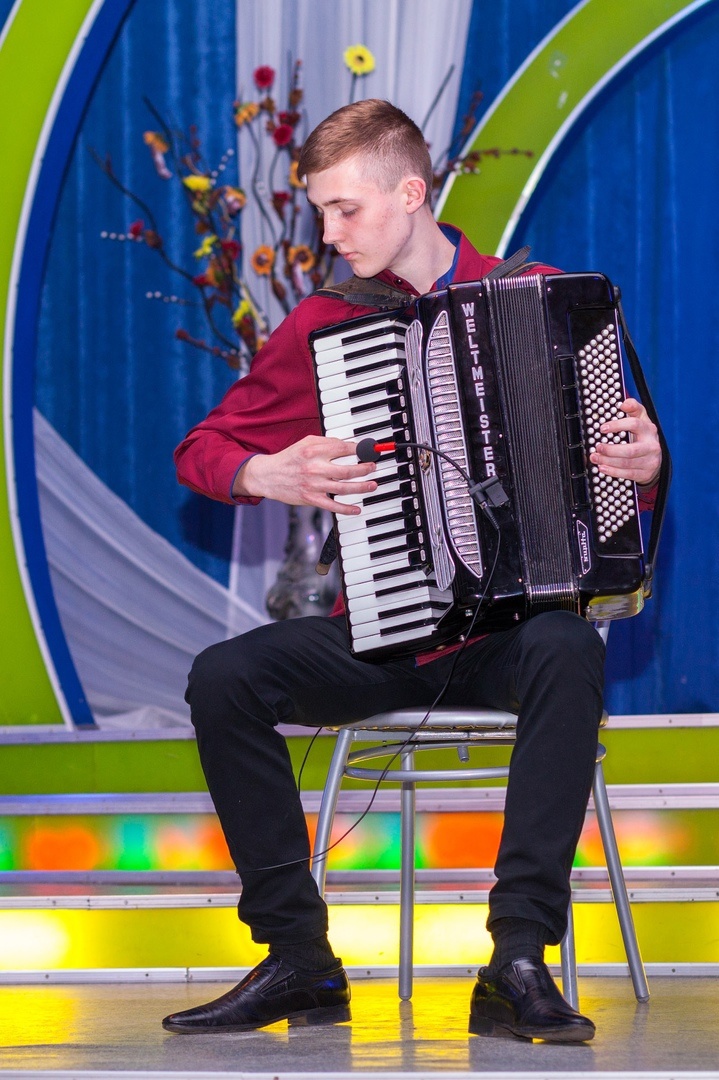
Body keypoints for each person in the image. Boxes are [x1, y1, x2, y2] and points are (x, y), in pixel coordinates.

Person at [163, 99, 661, 1043]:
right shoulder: (329, 322)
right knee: (224, 676)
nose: (328, 233)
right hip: (386, 632)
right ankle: (300, 960)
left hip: (511, 639)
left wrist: (644, 465)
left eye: (344, 208)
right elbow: (203, 448)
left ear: (410, 192)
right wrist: (263, 472)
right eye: (319, 211)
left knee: (567, 647)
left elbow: (619, 471)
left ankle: (517, 959)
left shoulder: (542, 297)